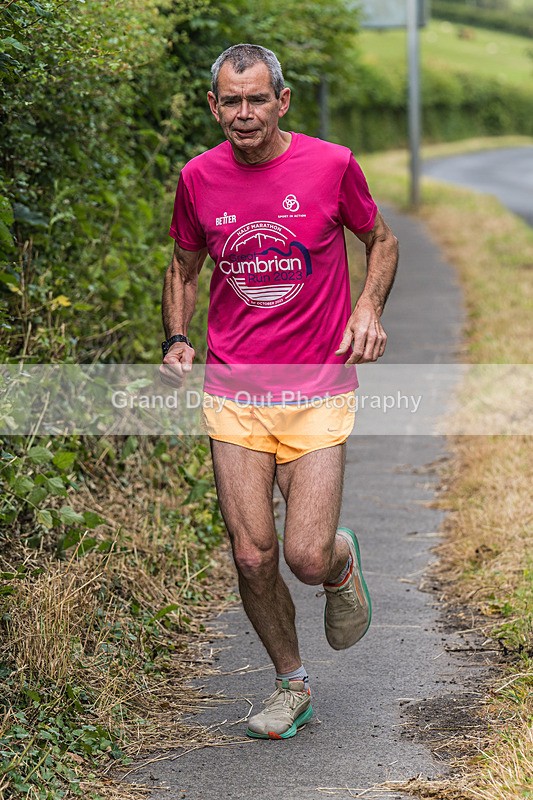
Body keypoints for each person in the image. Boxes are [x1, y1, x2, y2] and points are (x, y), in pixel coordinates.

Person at [160, 43, 398, 740]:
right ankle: (291, 683)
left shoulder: (331, 164)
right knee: (251, 554)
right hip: (233, 388)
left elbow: (378, 240)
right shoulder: (198, 178)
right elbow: (182, 263)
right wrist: (176, 338)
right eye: (230, 101)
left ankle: (337, 561)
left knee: (302, 554)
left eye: (256, 99)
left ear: (281, 101)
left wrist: (367, 308)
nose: (243, 113)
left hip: (318, 387)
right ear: (213, 106)